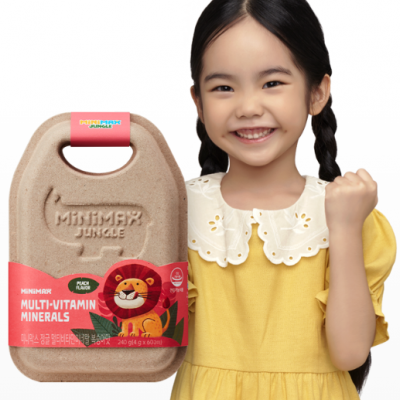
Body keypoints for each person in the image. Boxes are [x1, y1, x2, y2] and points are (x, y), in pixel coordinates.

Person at [170, 0, 397, 398]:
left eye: (272, 83)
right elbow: (139, 328)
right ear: (199, 103)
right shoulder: (175, 212)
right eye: (223, 87)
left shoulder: (349, 212)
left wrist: (344, 227)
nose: (248, 107)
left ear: (317, 93)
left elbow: (349, 353)